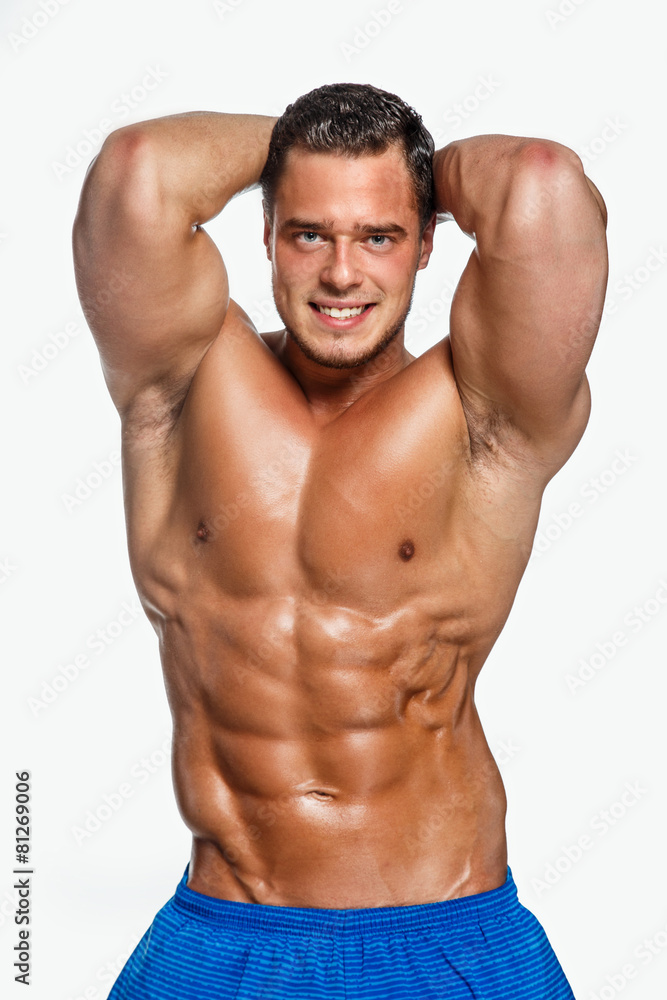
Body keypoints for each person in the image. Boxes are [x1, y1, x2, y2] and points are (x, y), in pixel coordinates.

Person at [72, 82, 608, 999]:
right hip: (222, 938)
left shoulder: (485, 415)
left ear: (429, 241)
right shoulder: (181, 381)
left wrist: (409, 167)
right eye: (309, 233)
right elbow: (136, 171)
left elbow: (540, 182)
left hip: (444, 938)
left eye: (379, 236)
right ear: (266, 234)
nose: (342, 274)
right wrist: (297, 144)